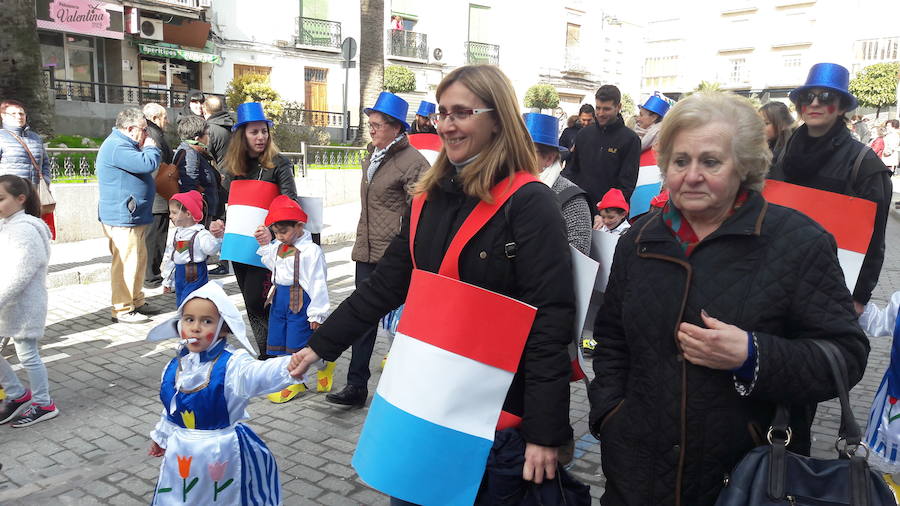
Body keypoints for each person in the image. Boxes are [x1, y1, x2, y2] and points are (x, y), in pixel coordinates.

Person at [289, 65, 575, 501]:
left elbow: (550, 321)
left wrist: (544, 431)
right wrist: (321, 344)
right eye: (442, 113)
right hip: (423, 397)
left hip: (495, 409)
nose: (446, 124)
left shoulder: (530, 202)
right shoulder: (427, 196)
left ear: (497, 118)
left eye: (461, 112)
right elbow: (385, 285)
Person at [588, 91, 870, 505]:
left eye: (711, 161)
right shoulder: (639, 240)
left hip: (745, 478)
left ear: (745, 166)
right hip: (636, 475)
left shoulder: (799, 242)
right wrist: (610, 414)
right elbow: (611, 339)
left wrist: (753, 356)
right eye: (681, 161)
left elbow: (846, 356)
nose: (692, 175)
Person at [146, 282, 314, 506]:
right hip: (182, 451)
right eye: (189, 319)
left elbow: (259, 374)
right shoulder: (174, 366)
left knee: (221, 497)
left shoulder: (232, 365)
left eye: (206, 321)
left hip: (220, 451)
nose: (196, 327)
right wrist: (162, 437)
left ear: (223, 328)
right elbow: (172, 410)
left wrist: (291, 364)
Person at [325, 91, 429, 408]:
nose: (371, 130)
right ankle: (356, 386)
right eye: (370, 124)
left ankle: (408, 392)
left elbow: (418, 216)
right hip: (366, 252)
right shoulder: (373, 154)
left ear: (396, 127)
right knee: (362, 320)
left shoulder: (414, 163)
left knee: (400, 327)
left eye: (377, 125)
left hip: (395, 259)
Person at [771, 62, 892, 314]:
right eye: (808, 97)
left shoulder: (864, 163)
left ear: (842, 108)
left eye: (826, 96)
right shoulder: (782, 155)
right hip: (776, 277)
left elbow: (875, 237)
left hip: (830, 287)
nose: (814, 104)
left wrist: (859, 296)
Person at [222, 102, 299, 359]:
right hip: (239, 245)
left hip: (267, 247)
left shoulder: (278, 164)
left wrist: (271, 230)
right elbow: (230, 204)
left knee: (260, 299)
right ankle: (265, 353)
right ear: (242, 136)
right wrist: (219, 222)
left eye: (264, 131)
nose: (261, 137)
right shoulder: (234, 168)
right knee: (250, 302)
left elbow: (290, 203)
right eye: (254, 132)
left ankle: (279, 352)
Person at [253, 196, 331, 403]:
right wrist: (265, 244)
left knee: (298, 343)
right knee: (279, 340)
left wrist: (317, 313)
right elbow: (272, 264)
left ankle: (305, 376)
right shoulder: (279, 245)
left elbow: (318, 283)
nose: (279, 236)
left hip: (300, 302)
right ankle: (290, 378)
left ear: (299, 225)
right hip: (279, 299)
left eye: (283, 231)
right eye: (276, 232)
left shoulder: (311, 251)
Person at [0, 175, 58, 427]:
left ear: (20, 199)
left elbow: (19, 273)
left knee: (28, 355)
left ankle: (43, 403)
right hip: (9, 304)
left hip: (23, 305)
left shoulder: (24, 229)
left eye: (1, 198)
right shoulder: (9, 224)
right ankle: (17, 394)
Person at [97, 108, 161, 324]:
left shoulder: (124, 144)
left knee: (138, 259)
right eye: (144, 130)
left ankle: (136, 299)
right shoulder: (117, 146)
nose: (147, 135)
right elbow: (148, 164)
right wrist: (151, 149)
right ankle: (123, 308)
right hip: (123, 215)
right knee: (126, 261)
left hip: (132, 214)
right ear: (130, 129)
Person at [562, 85, 641, 213]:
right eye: (598, 108)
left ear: (618, 107)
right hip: (581, 208)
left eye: (606, 109)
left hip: (610, 217)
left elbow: (626, 184)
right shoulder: (583, 134)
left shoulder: (630, 140)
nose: (600, 113)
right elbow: (572, 170)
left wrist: (607, 212)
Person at [524, 112, 591, 254]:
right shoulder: (504, 187)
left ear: (549, 158)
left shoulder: (572, 199)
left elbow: (577, 254)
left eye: (526, 151)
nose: (516, 156)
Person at [0, 100, 55, 238]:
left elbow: (45, 164)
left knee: (32, 230)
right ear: (3, 116)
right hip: (9, 196)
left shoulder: (35, 138)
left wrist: (45, 181)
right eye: (13, 113)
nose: (19, 116)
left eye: (21, 113)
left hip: (33, 194)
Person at [160, 191, 224, 307]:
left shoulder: (200, 234)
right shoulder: (176, 233)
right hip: (179, 273)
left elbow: (211, 250)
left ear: (188, 214)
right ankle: (184, 322)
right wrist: (167, 280)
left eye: (174, 213)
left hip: (196, 272)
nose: (170, 216)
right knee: (180, 301)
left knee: (191, 302)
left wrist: (217, 238)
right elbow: (171, 257)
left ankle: (191, 320)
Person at [143, 102, 174, 289]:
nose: (167, 121)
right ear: (155, 118)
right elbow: (158, 167)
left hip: (156, 195)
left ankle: (151, 275)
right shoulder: (153, 135)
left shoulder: (152, 133)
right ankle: (151, 277)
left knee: (154, 237)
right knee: (155, 238)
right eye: (164, 117)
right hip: (158, 196)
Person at [202, 96, 234, 276]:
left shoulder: (211, 129)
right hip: (233, 178)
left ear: (206, 110)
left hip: (219, 180)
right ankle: (227, 260)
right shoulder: (231, 126)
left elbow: (206, 153)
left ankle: (224, 262)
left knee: (219, 221)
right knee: (228, 221)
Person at [174, 115, 219, 221]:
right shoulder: (190, 153)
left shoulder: (189, 150)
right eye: (207, 134)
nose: (208, 137)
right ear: (197, 138)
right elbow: (189, 184)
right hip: (199, 212)